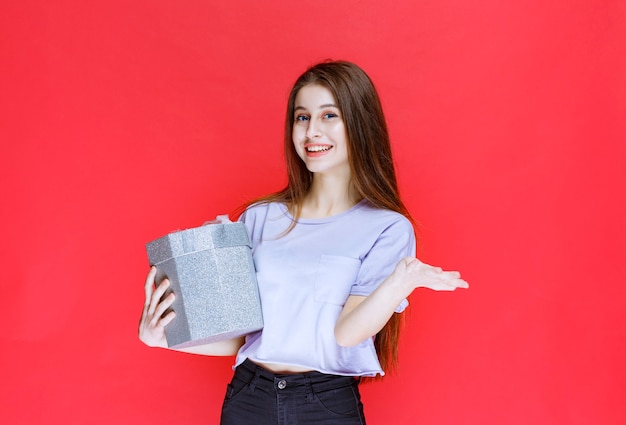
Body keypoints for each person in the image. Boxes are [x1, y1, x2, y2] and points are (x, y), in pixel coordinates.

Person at [138, 60, 468, 424]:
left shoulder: (388, 228)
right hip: (249, 398)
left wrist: (400, 281)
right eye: (302, 117)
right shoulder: (260, 218)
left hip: (325, 406)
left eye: (329, 116)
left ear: (359, 123)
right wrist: (164, 338)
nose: (312, 131)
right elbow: (244, 337)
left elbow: (347, 333)